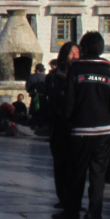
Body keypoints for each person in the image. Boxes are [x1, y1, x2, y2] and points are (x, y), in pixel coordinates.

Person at [53, 31, 110, 219]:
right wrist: (108, 121)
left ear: (83, 50)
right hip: (104, 131)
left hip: (81, 130)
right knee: (98, 176)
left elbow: (68, 104)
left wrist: (71, 120)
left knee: (77, 174)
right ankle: (94, 218)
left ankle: (72, 213)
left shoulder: (76, 72)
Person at [46, 42, 79, 208]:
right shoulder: (53, 77)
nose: (74, 57)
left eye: (77, 53)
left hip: (75, 125)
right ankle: (63, 198)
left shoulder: (80, 76)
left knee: (75, 165)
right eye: (71, 53)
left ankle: (74, 199)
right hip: (59, 125)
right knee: (60, 164)